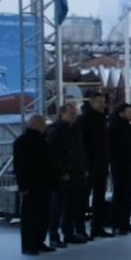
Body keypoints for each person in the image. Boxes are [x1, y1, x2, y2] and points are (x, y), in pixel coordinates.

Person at [46, 103, 88, 247]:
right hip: (62, 175)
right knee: (57, 207)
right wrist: (61, 172)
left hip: (75, 172)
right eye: (71, 114)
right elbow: (54, 155)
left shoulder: (75, 129)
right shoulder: (55, 130)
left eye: (75, 114)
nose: (74, 116)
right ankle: (53, 236)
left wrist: (83, 167)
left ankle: (68, 233)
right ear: (61, 114)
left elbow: (80, 150)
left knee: (72, 205)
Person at [14, 115, 56, 255]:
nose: (45, 125)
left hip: (43, 183)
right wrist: (23, 186)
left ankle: (38, 241)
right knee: (31, 215)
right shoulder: (23, 142)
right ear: (34, 124)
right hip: (32, 184)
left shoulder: (41, 140)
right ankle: (29, 245)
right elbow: (20, 166)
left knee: (43, 214)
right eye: (42, 123)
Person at [76, 91, 112, 238]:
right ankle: (80, 229)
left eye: (104, 102)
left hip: (101, 164)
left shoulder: (102, 118)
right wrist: (85, 165)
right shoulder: (84, 119)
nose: (103, 105)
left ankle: (97, 227)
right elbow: (81, 145)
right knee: (83, 198)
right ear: (91, 102)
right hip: (89, 165)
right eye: (99, 102)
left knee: (99, 197)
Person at [107, 103, 131, 235]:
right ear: (121, 113)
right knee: (120, 196)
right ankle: (117, 223)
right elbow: (114, 149)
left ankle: (125, 222)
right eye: (129, 112)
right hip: (121, 167)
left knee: (129, 196)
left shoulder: (130, 128)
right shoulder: (113, 128)